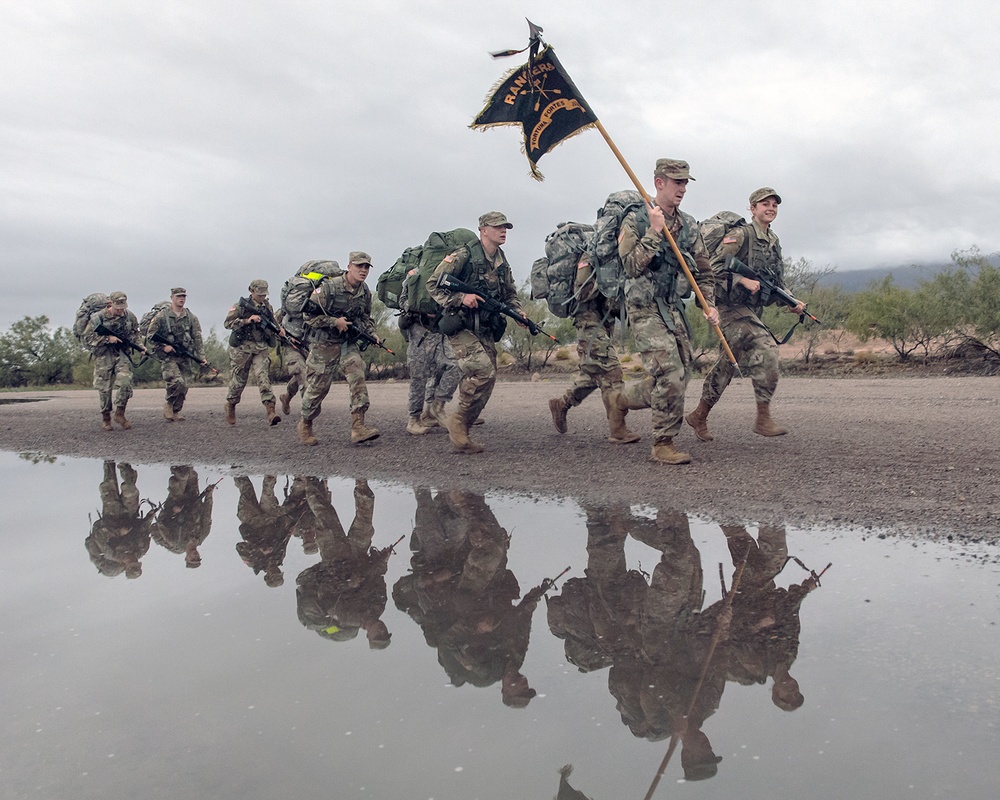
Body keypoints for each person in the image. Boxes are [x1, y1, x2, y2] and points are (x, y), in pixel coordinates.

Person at [607, 159, 719, 465]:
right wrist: (655, 232)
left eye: (685, 183)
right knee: (670, 372)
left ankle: (619, 400)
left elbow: (704, 272)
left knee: (681, 373)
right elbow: (630, 265)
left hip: (671, 307)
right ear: (659, 183)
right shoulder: (638, 219)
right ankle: (663, 442)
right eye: (676, 183)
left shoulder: (689, 225)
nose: (682, 189)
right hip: (642, 309)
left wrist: (708, 304)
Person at [687, 187, 804, 440]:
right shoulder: (740, 235)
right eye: (765, 204)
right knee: (767, 348)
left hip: (748, 309)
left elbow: (775, 282)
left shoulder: (774, 243)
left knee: (728, 363)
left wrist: (791, 301)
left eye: (774, 204)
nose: (770, 208)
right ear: (752, 208)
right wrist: (741, 279)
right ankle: (763, 418)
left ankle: (699, 415)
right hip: (727, 308)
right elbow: (713, 268)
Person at [427, 211, 522, 454]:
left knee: (488, 380)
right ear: (483, 230)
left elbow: (510, 293)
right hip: (461, 325)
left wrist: (519, 313)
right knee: (482, 370)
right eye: (498, 227)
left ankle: (462, 430)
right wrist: (461, 297)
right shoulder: (464, 255)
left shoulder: (501, 260)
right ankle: (457, 422)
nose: (503, 231)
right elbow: (433, 284)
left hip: (485, 326)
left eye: (505, 228)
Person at [546, 262, 640, 443]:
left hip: (604, 320)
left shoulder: (612, 255)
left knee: (594, 372)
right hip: (588, 321)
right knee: (611, 372)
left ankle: (561, 404)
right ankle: (618, 430)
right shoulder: (591, 255)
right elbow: (581, 293)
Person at [297, 252, 381, 446]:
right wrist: (334, 321)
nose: (363, 270)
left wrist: (372, 332)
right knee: (318, 388)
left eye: (367, 267)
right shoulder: (328, 288)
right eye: (359, 266)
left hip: (347, 343)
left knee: (357, 373)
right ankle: (305, 423)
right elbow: (308, 317)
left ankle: (358, 427)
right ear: (349, 266)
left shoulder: (364, 291)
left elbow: (365, 317)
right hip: (324, 343)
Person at [276, 260, 341, 417]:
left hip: (308, 342)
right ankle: (307, 420)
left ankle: (286, 397)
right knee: (300, 372)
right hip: (290, 342)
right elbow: (277, 320)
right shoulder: (292, 304)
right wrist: (280, 332)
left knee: (307, 376)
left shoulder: (320, 298)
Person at [398, 277, 460, 435]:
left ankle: (435, 409)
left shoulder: (447, 274)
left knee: (455, 366)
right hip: (419, 330)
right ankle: (414, 419)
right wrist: (421, 310)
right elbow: (403, 300)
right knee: (419, 377)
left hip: (441, 330)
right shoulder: (415, 276)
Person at [82, 291, 143, 431]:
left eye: (123, 307)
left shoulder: (129, 317)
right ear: (111, 304)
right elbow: (88, 339)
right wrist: (107, 339)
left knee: (126, 382)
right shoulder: (97, 318)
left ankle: (120, 413)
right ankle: (106, 418)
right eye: (117, 308)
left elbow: (135, 334)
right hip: (104, 355)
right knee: (104, 389)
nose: (120, 311)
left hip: (121, 354)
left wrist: (141, 346)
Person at [223, 279, 280, 426]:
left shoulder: (267, 307)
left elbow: (274, 323)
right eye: (259, 294)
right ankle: (231, 404)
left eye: (263, 294)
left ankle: (271, 411)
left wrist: (279, 330)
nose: (261, 297)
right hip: (242, 348)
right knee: (239, 380)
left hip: (260, 347)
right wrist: (247, 320)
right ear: (251, 291)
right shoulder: (240, 307)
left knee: (263, 377)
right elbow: (228, 323)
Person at [146, 287, 206, 421]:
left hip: (185, 355)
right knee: (176, 381)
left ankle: (176, 410)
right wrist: (163, 346)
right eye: (179, 296)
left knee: (185, 385)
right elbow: (150, 336)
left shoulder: (191, 317)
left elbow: (197, 338)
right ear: (172, 298)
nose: (182, 299)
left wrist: (201, 357)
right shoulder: (162, 316)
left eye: (184, 296)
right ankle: (169, 403)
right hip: (169, 357)